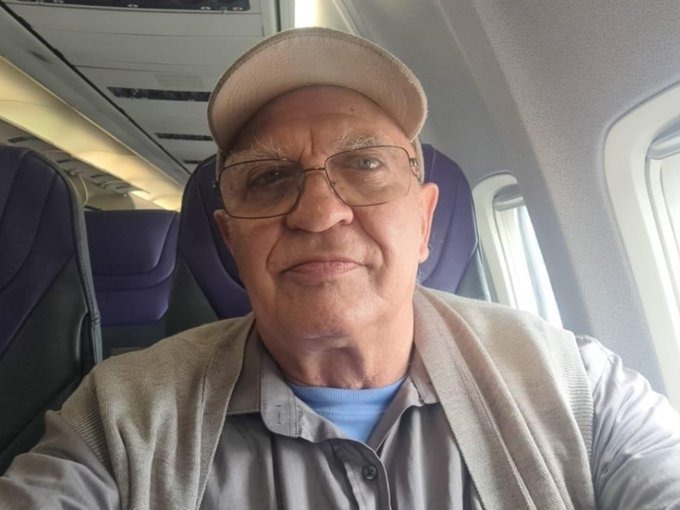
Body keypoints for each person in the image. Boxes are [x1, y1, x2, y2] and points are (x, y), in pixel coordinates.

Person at [2, 26, 680, 510]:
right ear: (230, 239)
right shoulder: (122, 417)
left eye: (364, 164)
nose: (320, 213)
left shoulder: (578, 390)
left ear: (424, 220)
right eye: (268, 177)